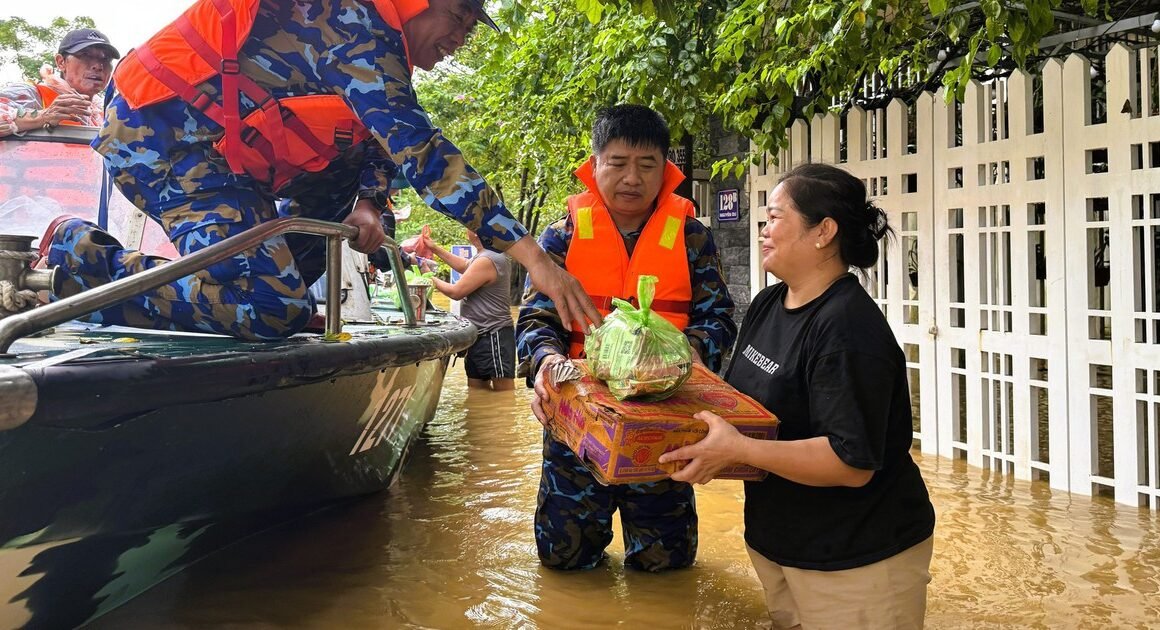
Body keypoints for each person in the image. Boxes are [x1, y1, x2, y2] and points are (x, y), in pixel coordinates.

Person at [37, 0, 598, 341]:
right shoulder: (356, 24)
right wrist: (536, 260)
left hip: (223, 158)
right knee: (274, 309)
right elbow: (422, 154)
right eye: (458, 14)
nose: (462, 36)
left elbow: (377, 146)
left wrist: (369, 203)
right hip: (159, 138)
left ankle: (261, 296)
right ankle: (82, 261)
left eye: (473, 25)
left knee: (301, 259)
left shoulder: (375, 55)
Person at [658, 163, 936, 629]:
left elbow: (851, 463)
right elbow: (743, 405)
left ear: (823, 232)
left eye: (773, 218)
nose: (763, 231)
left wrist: (738, 450)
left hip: (856, 558)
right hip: (780, 545)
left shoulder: (847, 327)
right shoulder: (770, 303)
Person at [517, 104, 737, 572]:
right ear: (594, 165)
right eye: (617, 163)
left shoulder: (691, 236)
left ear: (665, 168)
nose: (631, 178)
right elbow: (535, 320)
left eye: (646, 165)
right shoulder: (562, 236)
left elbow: (718, 316)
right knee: (564, 562)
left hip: (666, 426)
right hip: (578, 421)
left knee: (667, 567)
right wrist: (544, 365)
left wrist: (691, 354)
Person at [423, 230, 515, 390]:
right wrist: (434, 248)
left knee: (504, 393)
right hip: (477, 335)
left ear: (477, 231)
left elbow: (456, 292)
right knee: (476, 392)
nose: (466, 228)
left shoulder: (489, 258)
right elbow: (465, 266)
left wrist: (429, 278)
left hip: (494, 336)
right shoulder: (485, 254)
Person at [0, 28, 119, 136]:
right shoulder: (32, 93)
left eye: (106, 58)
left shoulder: (106, 116)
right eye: (85, 55)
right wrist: (44, 116)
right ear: (61, 62)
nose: (98, 66)